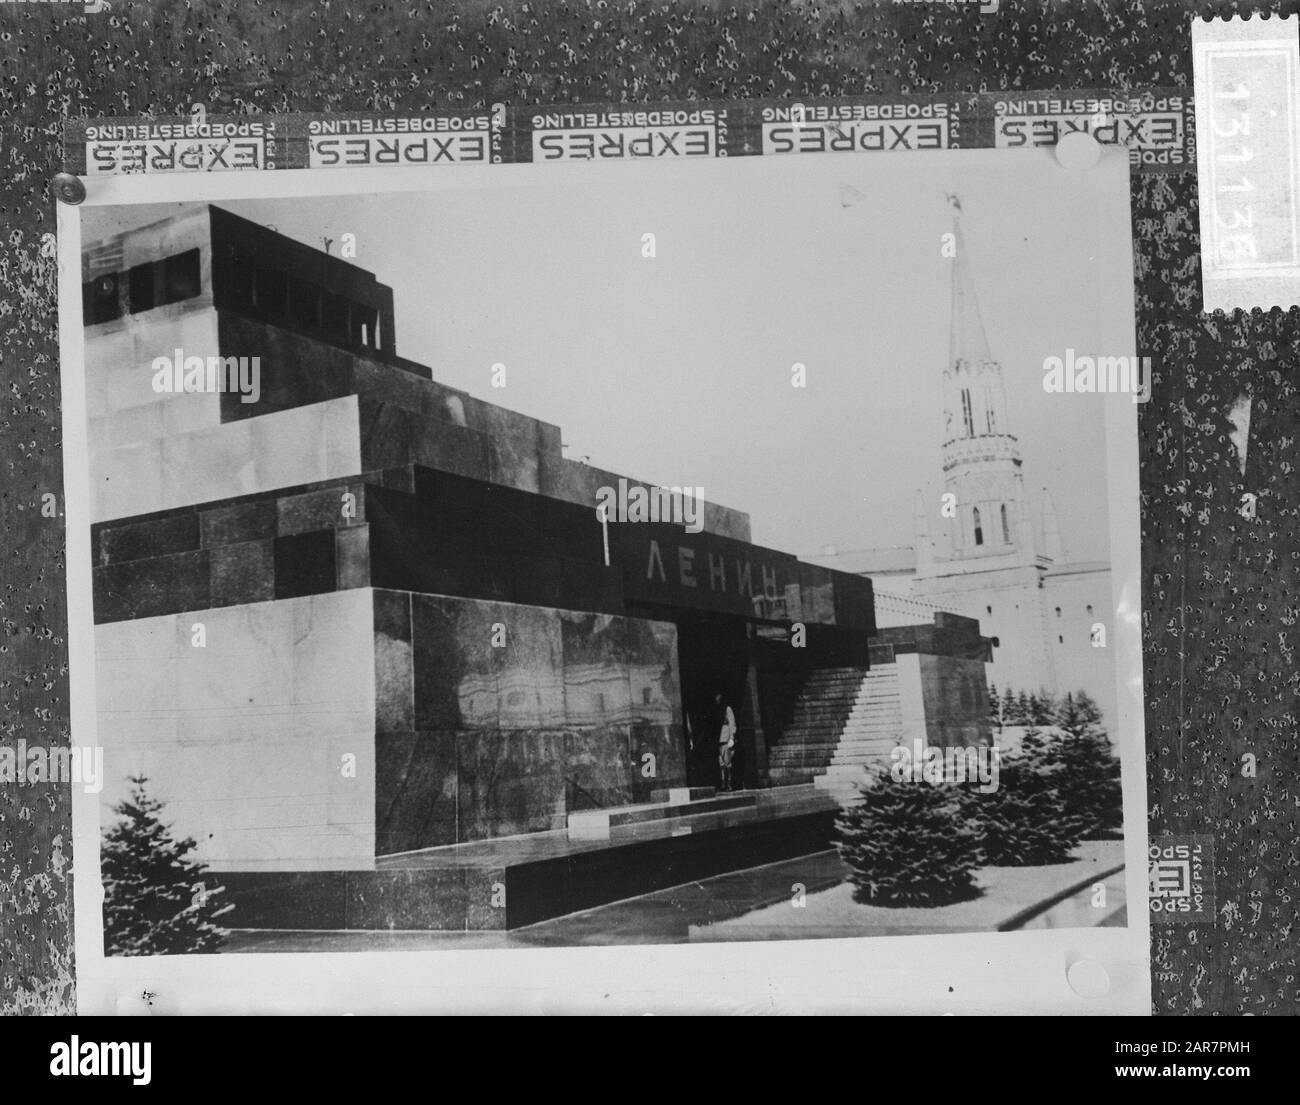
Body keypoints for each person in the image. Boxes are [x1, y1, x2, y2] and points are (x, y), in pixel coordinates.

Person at [716, 692, 737, 791]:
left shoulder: (727, 709)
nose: (716, 698)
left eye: (718, 696)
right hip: (720, 741)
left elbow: (732, 723)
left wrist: (732, 737)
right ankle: (723, 784)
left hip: (725, 740)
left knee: (728, 764)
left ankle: (729, 784)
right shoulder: (718, 710)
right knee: (721, 764)